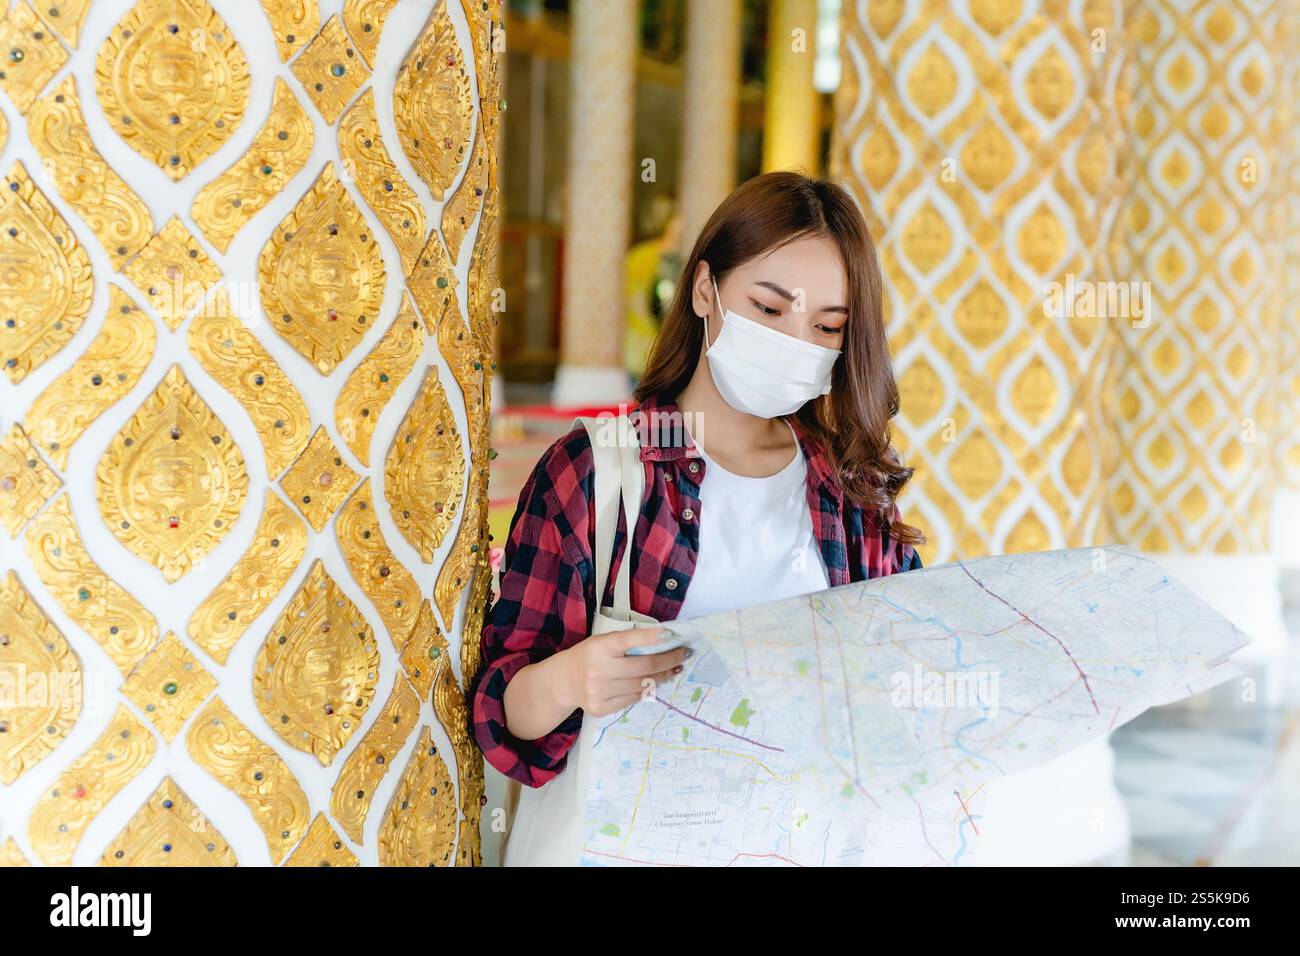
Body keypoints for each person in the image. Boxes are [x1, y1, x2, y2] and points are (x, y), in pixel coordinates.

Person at [468, 169, 926, 844]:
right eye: (770, 311)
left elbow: (905, 687)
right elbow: (503, 714)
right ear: (706, 288)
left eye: (827, 326)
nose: (797, 344)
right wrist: (572, 678)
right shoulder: (596, 472)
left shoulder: (848, 491)